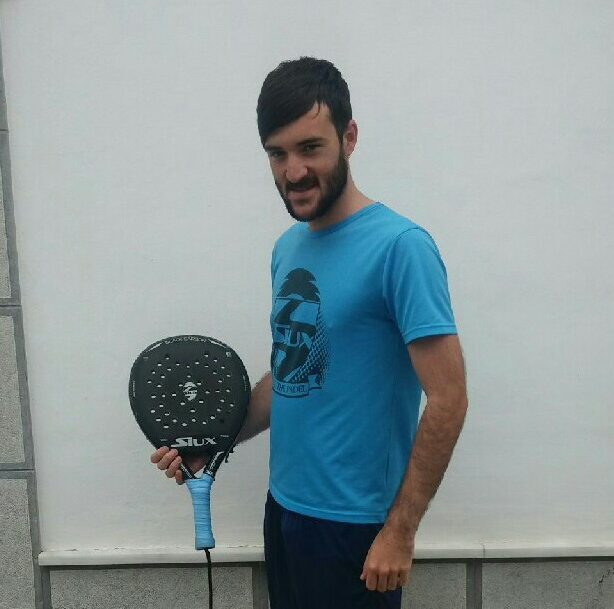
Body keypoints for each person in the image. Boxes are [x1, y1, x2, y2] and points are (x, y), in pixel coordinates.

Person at [151, 57, 468, 609]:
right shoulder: (287, 249)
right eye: (277, 153)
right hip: (284, 511)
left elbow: (449, 398)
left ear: (349, 138)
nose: (293, 171)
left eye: (310, 148)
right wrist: (211, 444)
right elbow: (288, 376)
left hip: (357, 529)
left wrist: (400, 531)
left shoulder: (401, 248)